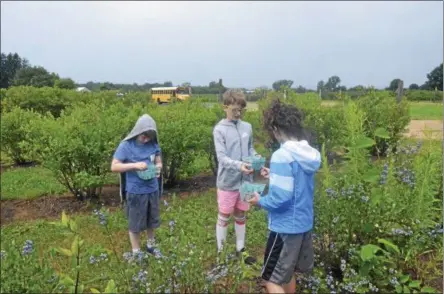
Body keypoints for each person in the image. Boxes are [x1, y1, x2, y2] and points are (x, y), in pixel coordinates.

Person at [248, 99, 321, 294]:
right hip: (303, 224)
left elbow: (281, 199)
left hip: (285, 228)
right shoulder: (306, 153)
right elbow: (298, 185)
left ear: (275, 127)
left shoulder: (282, 155)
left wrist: (259, 201)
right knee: (287, 274)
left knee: (271, 280)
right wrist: (273, 174)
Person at [213, 88, 259, 265]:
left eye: (241, 110)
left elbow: (250, 149)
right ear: (225, 107)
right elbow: (222, 158)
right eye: (235, 110)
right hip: (227, 182)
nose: (238, 113)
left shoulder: (247, 127)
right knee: (224, 215)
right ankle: (221, 253)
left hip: (245, 181)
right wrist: (239, 166)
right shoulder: (219, 130)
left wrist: (256, 161)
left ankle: (241, 249)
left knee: (241, 214)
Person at [111, 114, 164, 258]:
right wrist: (134, 165)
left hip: (152, 189)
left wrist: (158, 168)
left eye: (149, 137)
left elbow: (159, 162)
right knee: (135, 223)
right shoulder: (126, 146)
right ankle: (136, 252)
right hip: (135, 191)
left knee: (152, 220)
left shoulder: (153, 145)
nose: (146, 139)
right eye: (143, 136)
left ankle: (151, 246)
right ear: (137, 132)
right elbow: (114, 166)